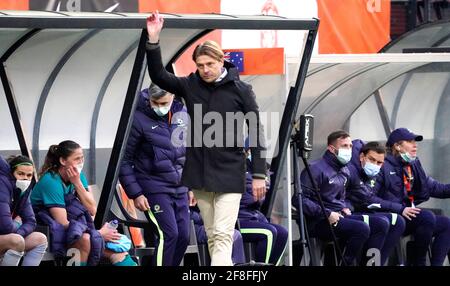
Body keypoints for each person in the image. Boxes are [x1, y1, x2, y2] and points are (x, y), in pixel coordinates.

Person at [145, 11, 267, 266]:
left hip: (230, 172)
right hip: (199, 173)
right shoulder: (190, 85)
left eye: (209, 64)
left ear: (222, 61)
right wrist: (153, 40)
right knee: (213, 235)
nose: (205, 70)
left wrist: (258, 174)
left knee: (223, 234)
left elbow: (256, 130)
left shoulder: (241, 90)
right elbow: (158, 76)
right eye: (200, 65)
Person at [31, 140, 136, 266]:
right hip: (46, 229)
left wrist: (77, 183)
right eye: (77, 159)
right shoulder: (51, 181)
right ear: (63, 161)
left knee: (117, 247)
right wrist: (99, 234)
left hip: (75, 227)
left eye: (82, 158)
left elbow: (92, 209)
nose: (81, 162)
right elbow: (62, 223)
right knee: (85, 240)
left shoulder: (78, 176)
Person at [294, 130, 390, 266]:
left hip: (338, 217)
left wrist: (344, 207)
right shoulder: (315, 169)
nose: (349, 149)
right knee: (361, 229)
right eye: (345, 146)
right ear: (331, 149)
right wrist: (326, 213)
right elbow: (299, 200)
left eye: (350, 146)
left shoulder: (344, 170)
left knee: (381, 224)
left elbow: (341, 197)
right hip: (318, 221)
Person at [119, 83, 190, 266]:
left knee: (183, 236)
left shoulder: (182, 114)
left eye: (163, 103)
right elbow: (124, 161)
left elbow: (188, 152)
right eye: (155, 102)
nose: (159, 107)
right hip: (153, 188)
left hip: (180, 186)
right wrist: (136, 193)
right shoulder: (137, 118)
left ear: (173, 95)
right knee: (169, 234)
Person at [373, 128, 450, 266]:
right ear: (397, 146)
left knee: (446, 224)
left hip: (408, 216)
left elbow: (436, 188)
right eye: (410, 141)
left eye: (415, 141)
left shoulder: (412, 165)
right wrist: (399, 209)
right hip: (389, 216)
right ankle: (418, 263)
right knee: (426, 217)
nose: (415, 145)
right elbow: (370, 198)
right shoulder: (381, 165)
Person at [346, 141, 406, 265]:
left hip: (360, 208)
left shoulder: (372, 172)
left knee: (397, 221)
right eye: (372, 160)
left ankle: (377, 263)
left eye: (379, 163)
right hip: (346, 211)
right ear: (362, 157)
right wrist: (399, 207)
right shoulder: (351, 168)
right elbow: (367, 197)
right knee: (381, 223)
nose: (375, 165)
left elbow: (368, 197)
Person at [238, 142, 287, 265]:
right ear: (247, 151)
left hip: (253, 216)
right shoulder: (238, 168)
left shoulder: (262, 171)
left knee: (282, 233)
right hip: (237, 220)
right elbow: (248, 199)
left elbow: (259, 199)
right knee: (268, 232)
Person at [0, 155, 48, 266]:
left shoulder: (23, 191)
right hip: (5, 236)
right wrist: (17, 223)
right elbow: (5, 227)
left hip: (6, 236)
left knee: (40, 239)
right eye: (20, 174)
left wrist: (19, 231)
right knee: (17, 241)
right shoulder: (2, 186)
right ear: (11, 174)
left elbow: (31, 221)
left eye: (29, 175)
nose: (25, 178)